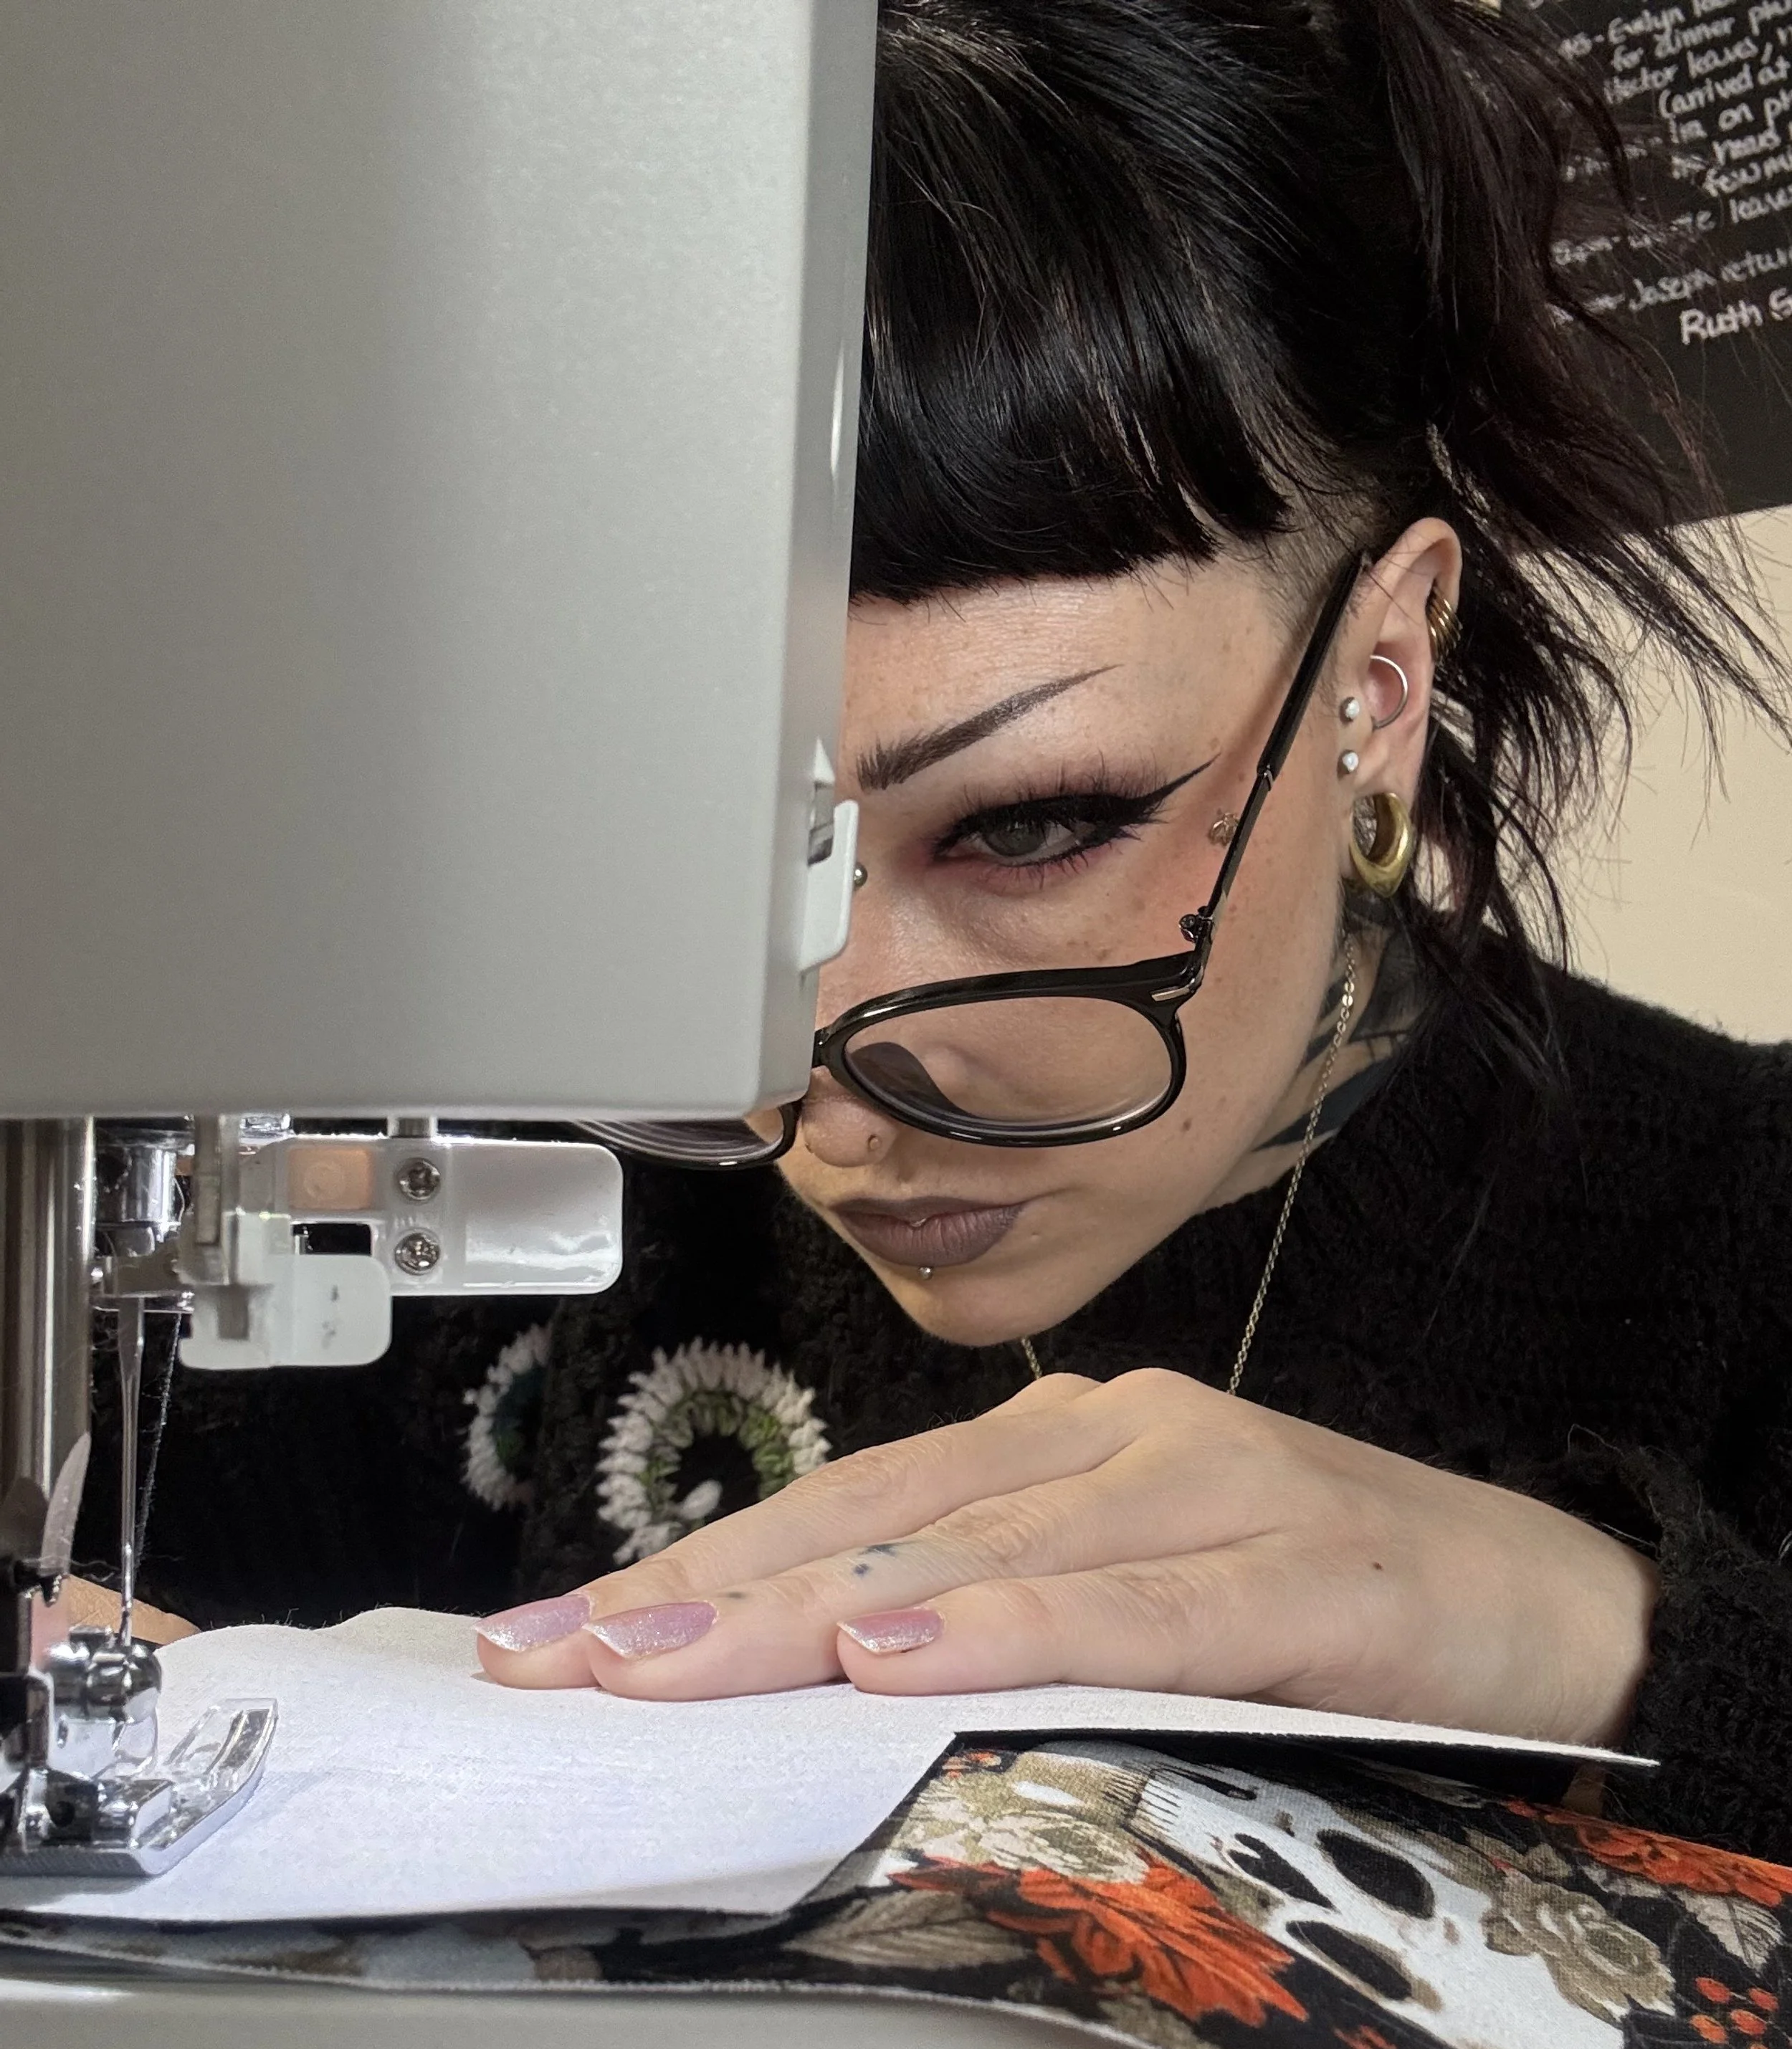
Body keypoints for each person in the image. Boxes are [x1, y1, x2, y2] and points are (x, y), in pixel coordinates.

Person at [104, 0, 1792, 1861]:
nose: (804, 1064)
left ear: (1377, 679)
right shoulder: (450, 1228)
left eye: (1027, 825)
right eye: (680, 840)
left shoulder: (1738, 1234)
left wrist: (1624, 1647)